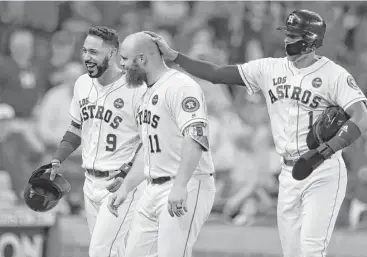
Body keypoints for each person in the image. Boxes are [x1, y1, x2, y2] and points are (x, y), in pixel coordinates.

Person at [146, 9, 367, 257]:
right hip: (289, 172)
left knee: (311, 250)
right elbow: (216, 74)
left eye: (293, 35)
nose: (287, 40)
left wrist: (327, 149)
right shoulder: (269, 69)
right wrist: (175, 56)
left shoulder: (334, 75)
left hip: (323, 170)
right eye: (287, 33)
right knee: (292, 252)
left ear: (310, 39)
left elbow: (361, 116)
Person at [108, 32, 216, 257]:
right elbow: (149, 150)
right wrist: (127, 186)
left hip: (188, 183)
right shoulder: (145, 93)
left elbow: (196, 137)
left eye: (126, 58)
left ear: (142, 59)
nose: (121, 64)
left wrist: (180, 185)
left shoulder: (180, 85)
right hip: (153, 187)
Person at [46, 26, 146, 257]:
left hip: (120, 184)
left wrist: (128, 172)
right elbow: (76, 128)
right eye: (84, 51)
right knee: (115, 251)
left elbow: (148, 139)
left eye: (93, 52)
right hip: (89, 182)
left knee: (101, 250)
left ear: (111, 54)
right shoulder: (82, 84)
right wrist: (58, 157)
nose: (86, 57)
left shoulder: (135, 88)